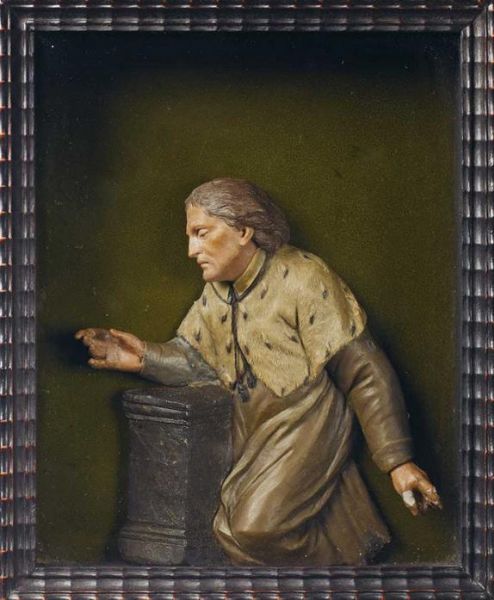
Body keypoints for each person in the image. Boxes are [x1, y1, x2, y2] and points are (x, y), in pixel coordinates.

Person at [75, 178, 441, 567]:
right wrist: (142, 358)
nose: (191, 250)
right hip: (253, 429)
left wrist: (397, 461)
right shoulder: (217, 292)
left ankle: (341, 578)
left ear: (244, 231)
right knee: (228, 531)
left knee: (254, 529)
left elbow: (363, 368)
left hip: (307, 422)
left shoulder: (303, 277)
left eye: (201, 233)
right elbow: (200, 360)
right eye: (190, 237)